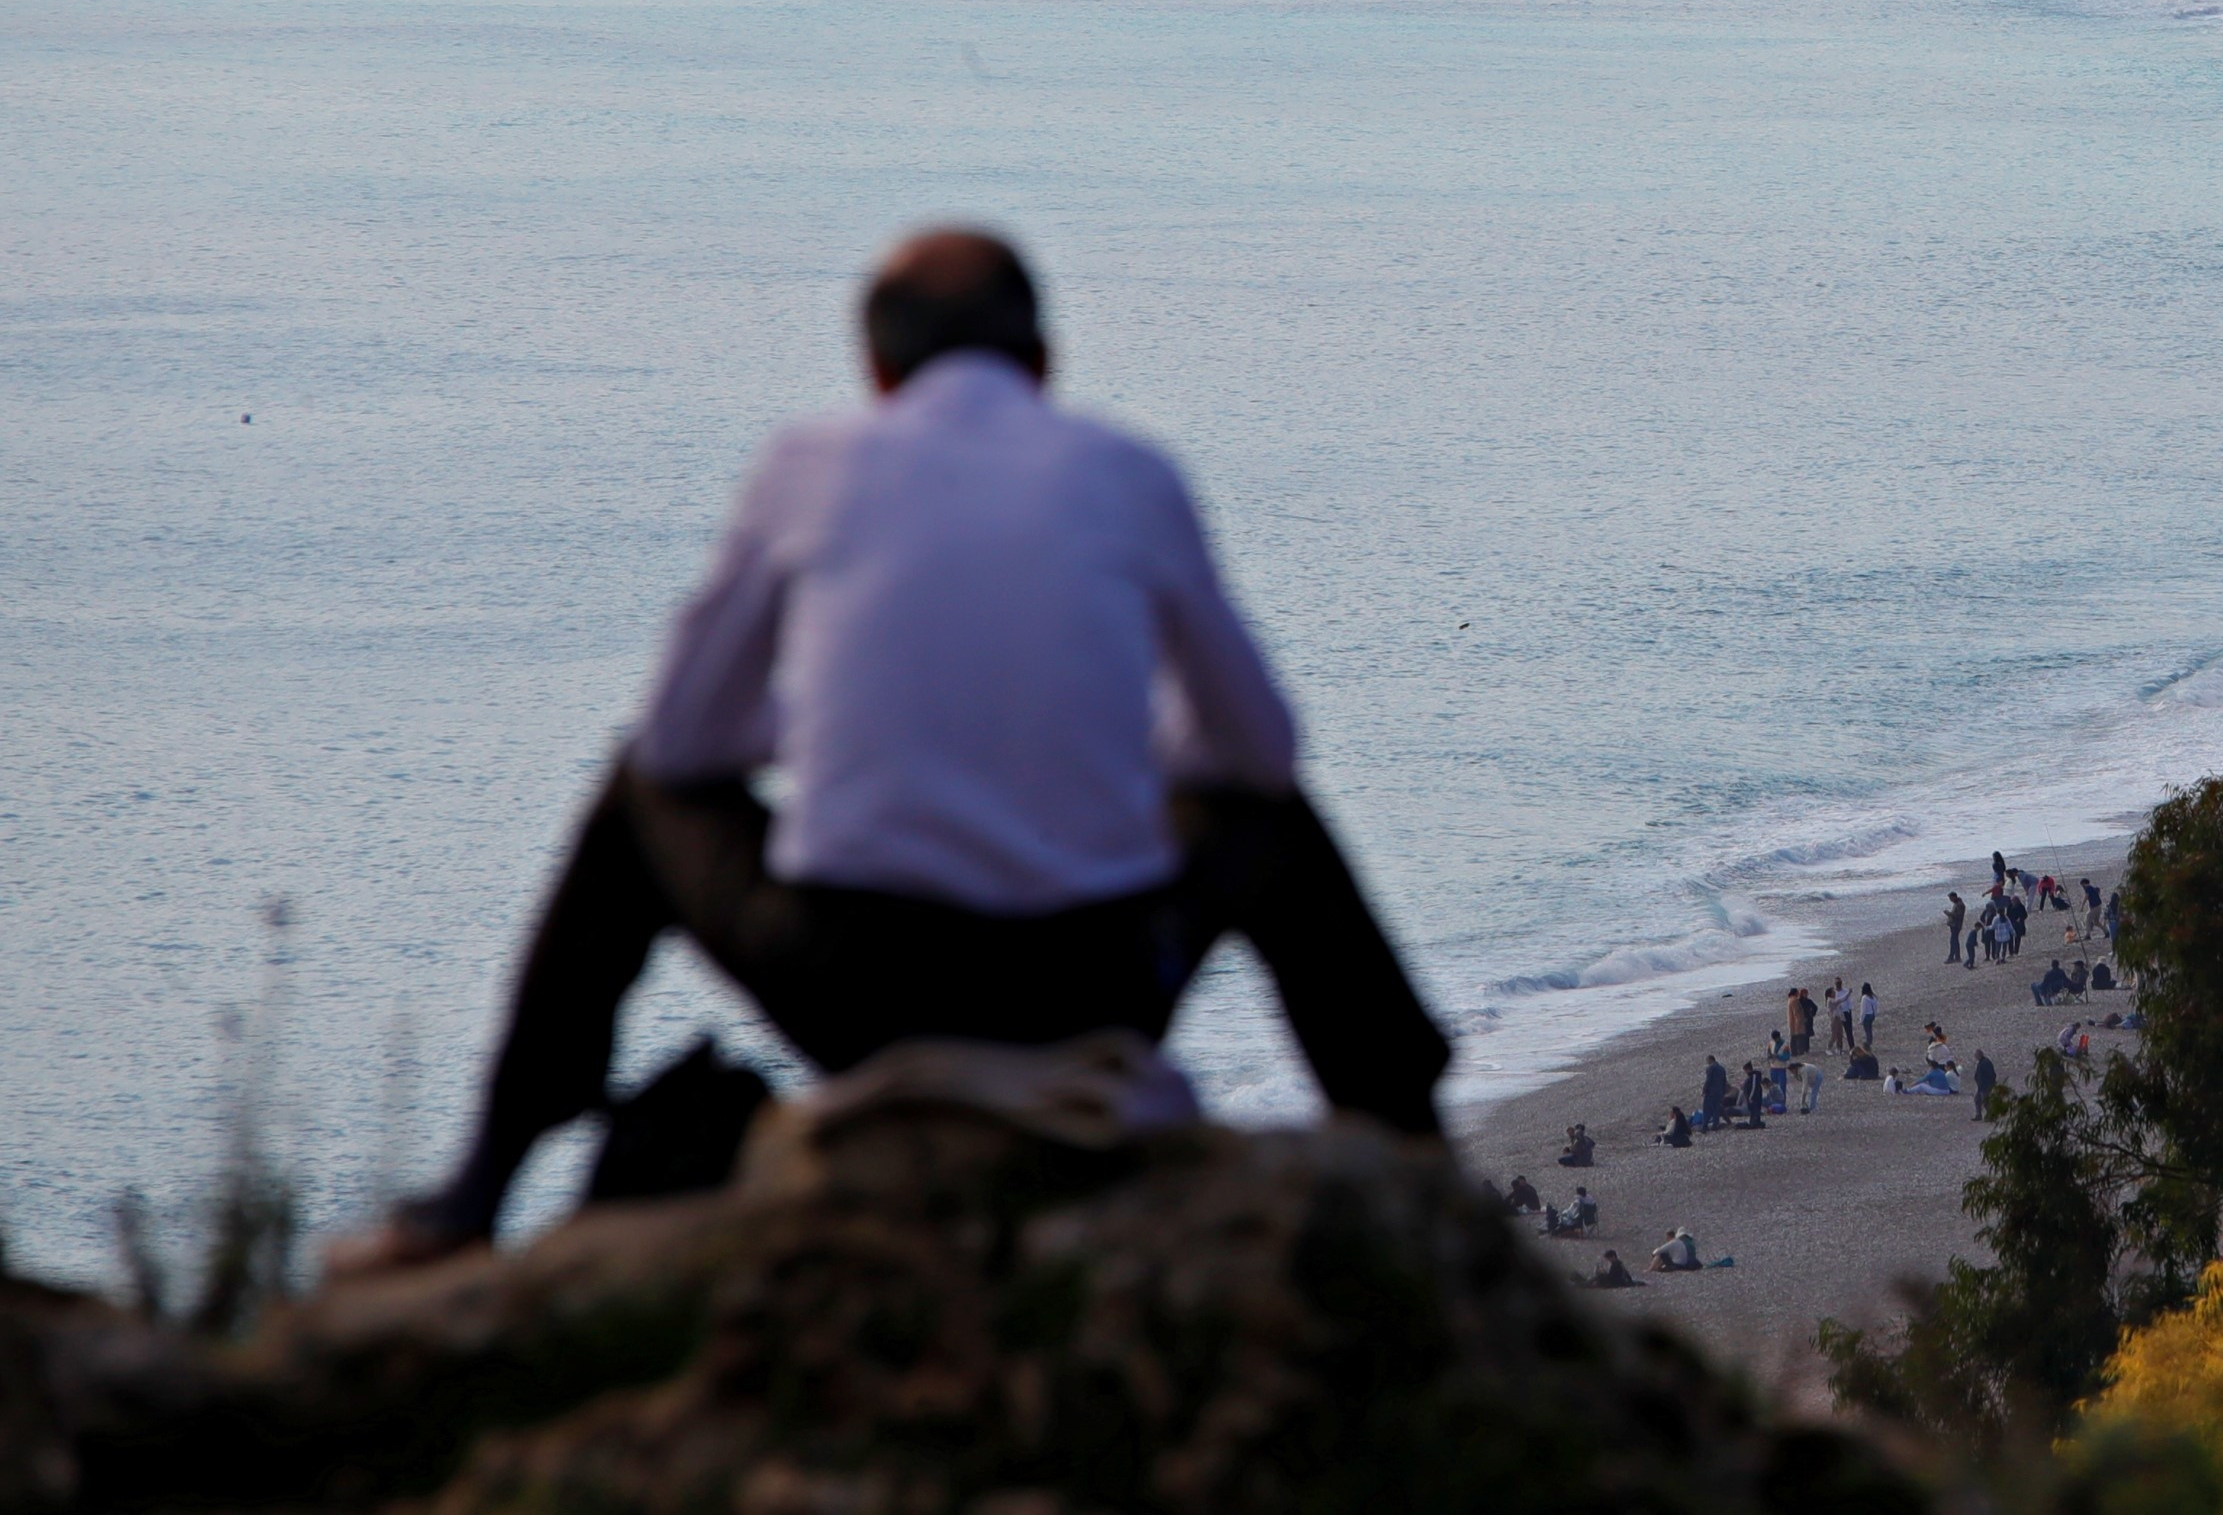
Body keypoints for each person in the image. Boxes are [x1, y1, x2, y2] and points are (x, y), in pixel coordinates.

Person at [341, 232, 1447, 1272]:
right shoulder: (1129, 475)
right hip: (1097, 983)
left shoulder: (808, 466)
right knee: (1272, 827)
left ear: (874, 371)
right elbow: (1262, 752)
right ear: (1044, 362)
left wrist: (806, 732)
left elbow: (684, 740)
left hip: (855, 988)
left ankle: (484, 1181)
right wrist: (1127, 750)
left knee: (640, 796)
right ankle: (1418, 1154)